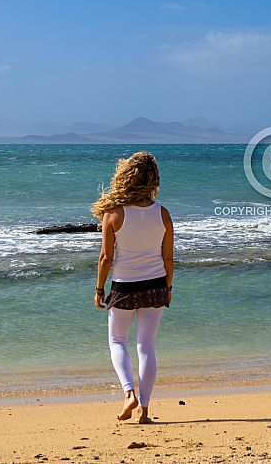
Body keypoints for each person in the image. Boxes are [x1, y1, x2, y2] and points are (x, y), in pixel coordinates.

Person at [92, 152, 174, 423]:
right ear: (153, 179)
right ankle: (145, 411)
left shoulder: (112, 214)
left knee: (117, 341)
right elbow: (168, 258)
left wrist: (100, 289)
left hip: (124, 288)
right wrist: (168, 287)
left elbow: (106, 258)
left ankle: (129, 394)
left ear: (125, 177)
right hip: (156, 285)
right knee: (146, 346)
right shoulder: (162, 214)